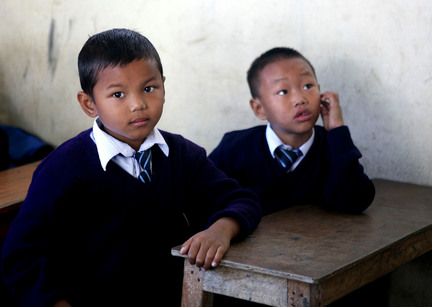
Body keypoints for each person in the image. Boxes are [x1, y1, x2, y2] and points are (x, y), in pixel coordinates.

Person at [1, 29, 261, 307]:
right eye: (118, 94)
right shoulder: (62, 169)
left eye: (149, 88)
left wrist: (221, 229)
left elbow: (241, 200)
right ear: (89, 104)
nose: (138, 104)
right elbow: (21, 256)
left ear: (163, 86)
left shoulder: (181, 155)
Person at [209, 47, 375, 216]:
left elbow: (355, 201)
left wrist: (337, 130)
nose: (300, 99)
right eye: (283, 91)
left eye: (308, 86)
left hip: (319, 240)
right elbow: (203, 198)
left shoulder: (333, 145)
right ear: (259, 108)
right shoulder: (235, 148)